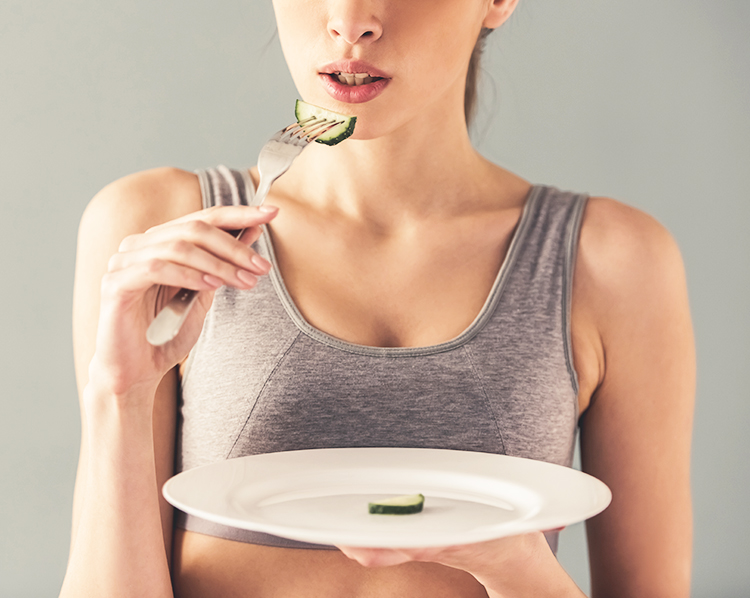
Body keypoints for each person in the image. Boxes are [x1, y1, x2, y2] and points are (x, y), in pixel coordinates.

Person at [60, 0, 695, 596]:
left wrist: (515, 563)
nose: (349, 21)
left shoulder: (611, 261)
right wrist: (121, 395)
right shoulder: (154, 231)